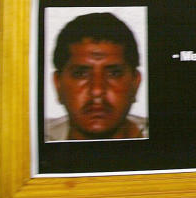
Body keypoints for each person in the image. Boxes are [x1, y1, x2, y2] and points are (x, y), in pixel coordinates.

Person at [47, 12, 147, 141]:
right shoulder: (28, 139)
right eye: (81, 74)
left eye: (114, 74)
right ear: (58, 85)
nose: (97, 91)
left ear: (135, 83)